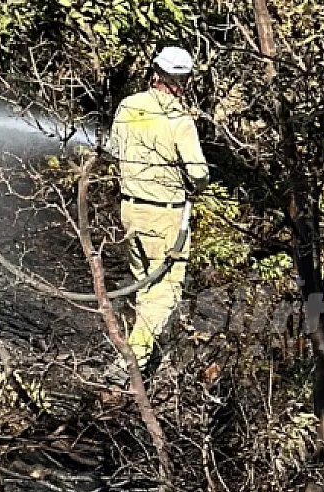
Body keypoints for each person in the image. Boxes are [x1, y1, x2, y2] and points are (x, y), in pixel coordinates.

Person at [106, 46, 209, 384]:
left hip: (130, 211)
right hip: (164, 216)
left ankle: (138, 354)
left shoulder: (128, 106)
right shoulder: (178, 119)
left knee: (143, 285)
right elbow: (198, 173)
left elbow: (114, 152)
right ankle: (127, 368)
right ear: (183, 80)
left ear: (154, 72)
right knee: (163, 294)